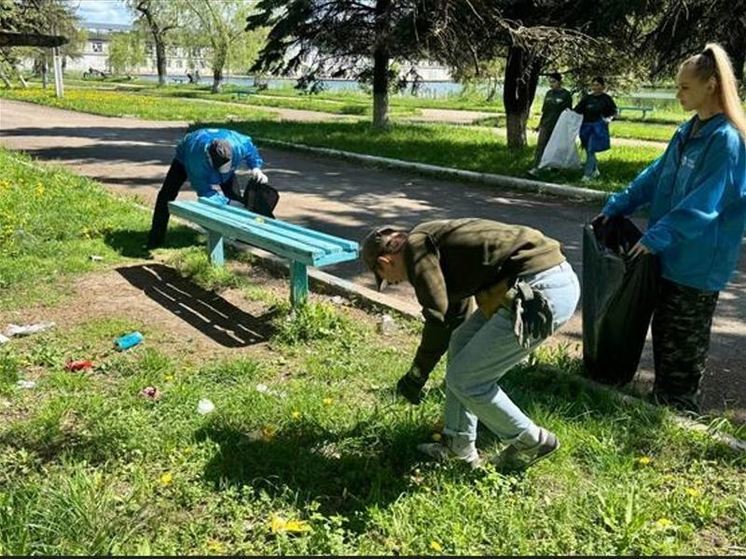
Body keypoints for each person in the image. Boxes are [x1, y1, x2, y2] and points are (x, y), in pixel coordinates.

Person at [596, 43, 746, 412]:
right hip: (669, 253)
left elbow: (706, 201)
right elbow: (656, 176)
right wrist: (619, 204)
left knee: (683, 344)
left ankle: (681, 413)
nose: (678, 94)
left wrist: (658, 235)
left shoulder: (726, 140)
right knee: (664, 334)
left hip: (697, 262)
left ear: (711, 85)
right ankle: (663, 405)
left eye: (684, 87)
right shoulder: (688, 130)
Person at [361, 219, 580, 469]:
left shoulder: (416, 248)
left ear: (384, 262)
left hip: (539, 291)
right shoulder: (432, 244)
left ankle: (533, 441)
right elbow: (453, 317)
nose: (394, 283)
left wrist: (417, 374)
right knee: (460, 344)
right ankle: (458, 446)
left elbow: (437, 318)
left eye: (387, 278)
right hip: (543, 282)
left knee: (467, 380)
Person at [147, 128, 268, 249]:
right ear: (209, 158)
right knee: (167, 195)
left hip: (220, 157)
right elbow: (205, 193)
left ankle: (240, 236)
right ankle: (156, 239)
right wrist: (229, 203)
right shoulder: (195, 161)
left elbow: (250, 149)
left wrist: (255, 168)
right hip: (184, 158)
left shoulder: (238, 144)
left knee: (234, 197)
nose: (221, 173)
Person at [528, 71, 573, 176]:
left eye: (553, 82)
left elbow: (568, 112)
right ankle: (536, 168)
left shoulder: (565, 95)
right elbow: (545, 111)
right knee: (541, 146)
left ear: (559, 82)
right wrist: (539, 125)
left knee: (556, 148)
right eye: (550, 82)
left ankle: (554, 169)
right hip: (546, 124)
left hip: (558, 126)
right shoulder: (548, 93)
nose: (551, 84)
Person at [574, 77, 617, 181]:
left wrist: (609, 119)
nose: (595, 87)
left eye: (597, 85)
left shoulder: (606, 99)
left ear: (603, 86)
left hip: (598, 127)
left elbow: (614, 112)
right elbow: (577, 110)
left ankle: (587, 175)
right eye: (593, 85)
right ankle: (595, 170)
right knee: (589, 150)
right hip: (585, 127)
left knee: (591, 149)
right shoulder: (587, 98)